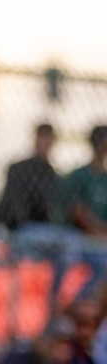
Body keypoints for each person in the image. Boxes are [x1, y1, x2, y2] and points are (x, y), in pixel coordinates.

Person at [54, 124, 107, 307]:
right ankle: (58, 306)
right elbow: (78, 212)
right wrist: (99, 233)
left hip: (99, 239)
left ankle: (77, 306)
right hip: (77, 235)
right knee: (65, 257)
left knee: (103, 264)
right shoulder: (80, 175)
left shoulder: (105, 178)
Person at [0, 123, 57, 233]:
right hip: (17, 224)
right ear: (36, 139)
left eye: (48, 138)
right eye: (43, 137)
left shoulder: (50, 172)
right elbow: (10, 201)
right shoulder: (20, 168)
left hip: (39, 226)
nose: (45, 143)